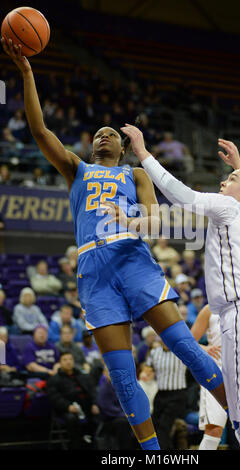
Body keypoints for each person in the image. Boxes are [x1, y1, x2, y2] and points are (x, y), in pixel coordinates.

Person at [2, 39, 227, 451]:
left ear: (123, 147)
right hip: (94, 272)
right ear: (92, 146)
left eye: (111, 134)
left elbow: (156, 220)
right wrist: (28, 74)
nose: (104, 135)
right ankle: (153, 454)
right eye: (98, 133)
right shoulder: (76, 169)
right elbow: (39, 129)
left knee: (185, 347)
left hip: (133, 259)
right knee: (123, 377)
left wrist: (133, 220)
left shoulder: (136, 174)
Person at [123, 122, 240, 450]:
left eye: (230, 179)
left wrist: (144, 154)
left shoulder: (230, 208)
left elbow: (180, 195)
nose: (222, 180)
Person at [191, 304, 227, 450]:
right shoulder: (209, 309)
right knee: (214, 429)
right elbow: (189, 341)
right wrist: (206, 348)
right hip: (215, 372)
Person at [46, 351, 100, 450]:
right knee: (71, 419)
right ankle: (76, 446)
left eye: (70, 359)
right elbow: (54, 397)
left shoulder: (83, 376)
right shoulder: (54, 379)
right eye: (65, 360)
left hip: (86, 406)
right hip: (67, 409)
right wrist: (67, 406)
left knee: (101, 413)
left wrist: (95, 404)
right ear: (60, 363)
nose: (68, 362)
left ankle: (98, 444)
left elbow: (93, 391)